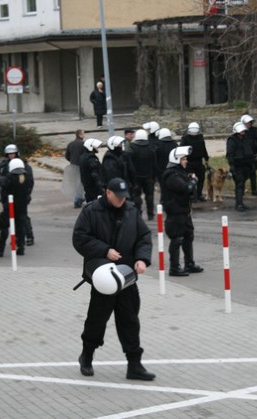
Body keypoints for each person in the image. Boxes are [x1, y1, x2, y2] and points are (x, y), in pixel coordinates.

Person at [72, 177, 155, 381]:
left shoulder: (131, 211)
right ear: (108, 192)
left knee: (130, 321)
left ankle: (134, 365)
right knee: (97, 320)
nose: (122, 201)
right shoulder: (91, 211)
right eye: (118, 197)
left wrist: (142, 259)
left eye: (124, 197)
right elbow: (80, 238)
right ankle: (87, 356)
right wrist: (104, 250)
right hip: (103, 277)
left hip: (127, 277)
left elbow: (143, 237)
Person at [161, 146, 204, 277]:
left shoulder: (180, 173)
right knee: (177, 239)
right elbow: (186, 188)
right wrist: (193, 180)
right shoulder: (171, 175)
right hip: (175, 211)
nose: (186, 161)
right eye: (183, 159)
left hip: (184, 210)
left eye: (185, 159)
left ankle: (189, 263)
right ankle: (174, 267)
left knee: (188, 236)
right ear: (176, 160)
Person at [0, 158, 31, 257]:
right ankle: (21, 248)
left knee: (4, 227)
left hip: (10, 207)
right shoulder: (26, 177)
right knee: (20, 228)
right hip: (22, 207)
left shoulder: (10, 178)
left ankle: (0, 248)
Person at [0, 144, 35, 245]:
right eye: (9, 154)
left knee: (23, 218)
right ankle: (17, 238)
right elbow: (3, 180)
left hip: (21, 197)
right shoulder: (5, 165)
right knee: (12, 219)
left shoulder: (23, 165)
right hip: (9, 197)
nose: (11, 156)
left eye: (13, 154)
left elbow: (29, 182)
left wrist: (26, 194)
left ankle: (29, 236)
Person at [227, 122, 257, 211]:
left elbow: (251, 150)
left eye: (243, 131)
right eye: (241, 131)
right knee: (240, 185)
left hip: (247, 165)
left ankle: (240, 202)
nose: (243, 133)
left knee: (242, 185)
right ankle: (239, 204)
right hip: (237, 166)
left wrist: (253, 162)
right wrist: (232, 166)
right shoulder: (232, 140)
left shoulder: (247, 139)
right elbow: (230, 154)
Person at [129, 129, 157, 220]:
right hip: (148, 176)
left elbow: (130, 164)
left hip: (136, 177)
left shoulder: (132, 149)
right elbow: (154, 164)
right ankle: (150, 214)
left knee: (136, 195)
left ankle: (138, 212)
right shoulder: (151, 149)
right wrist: (154, 176)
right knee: (149, 195)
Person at [180, 122, 210, 202]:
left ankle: (197, 195)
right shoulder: (186, 139)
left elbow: (203, 149)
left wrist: (206, 158)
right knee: (192, 179)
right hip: (190, 162)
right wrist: (206, 159)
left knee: (199, 178)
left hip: (197, 162)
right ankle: (193, 195)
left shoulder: (188, 139)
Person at [240, 114, 257, 196]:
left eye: (250, 122)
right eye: (247, 123)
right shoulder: (241, 132)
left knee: (253, 173)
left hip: (253, 155)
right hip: (244, 157)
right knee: (244, 174)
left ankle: (254, 189)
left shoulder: (254, 131)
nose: (249, 124)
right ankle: (241, 189)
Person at [65, 129, 86, 208]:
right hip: (81, 166)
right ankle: (78, 200)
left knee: (77, 183)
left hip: (73, 166)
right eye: (83, 134)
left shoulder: (70, 144)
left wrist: (72, 160)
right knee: (81, 183)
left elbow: (67, 156)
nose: (84, 135)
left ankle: (79, 198)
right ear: (80, 135)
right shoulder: (83, 144)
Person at [79, 138, 105, 203]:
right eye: (95, 147)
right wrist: (100, 186)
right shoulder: (91, 159)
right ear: (91, 147)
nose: (97, 148)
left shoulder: (83, 157)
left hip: (87, 186)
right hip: (93, 187)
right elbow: (94, 174)